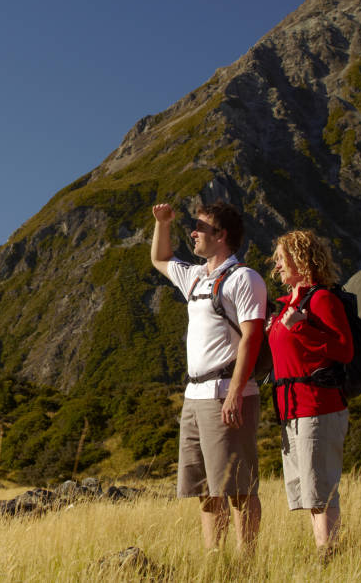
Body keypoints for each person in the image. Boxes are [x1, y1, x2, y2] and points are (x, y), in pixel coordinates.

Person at [151, 201, 267, 554]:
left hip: (227, 392)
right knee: (205, 488)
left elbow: (252, 336)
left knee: (238, 487)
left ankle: (247, 563)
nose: (194, 232)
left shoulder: (244, 278)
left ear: (222, 236)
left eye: (201, 227)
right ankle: (215, 560)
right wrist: (163, 224)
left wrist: (234, 393)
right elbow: (159, 259)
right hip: (196, 394)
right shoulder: (199, 276)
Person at [268, 230, 353, 553]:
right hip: (293, 410)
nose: (276, 267)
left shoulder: (322, 300)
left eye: (281, 259)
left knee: (320, 491)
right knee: (309, 491)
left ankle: (327, 556)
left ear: (300, 260)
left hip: (317, 406)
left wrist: (301, 326)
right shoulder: (288, 304)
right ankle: (325, 552)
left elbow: (344, 350)